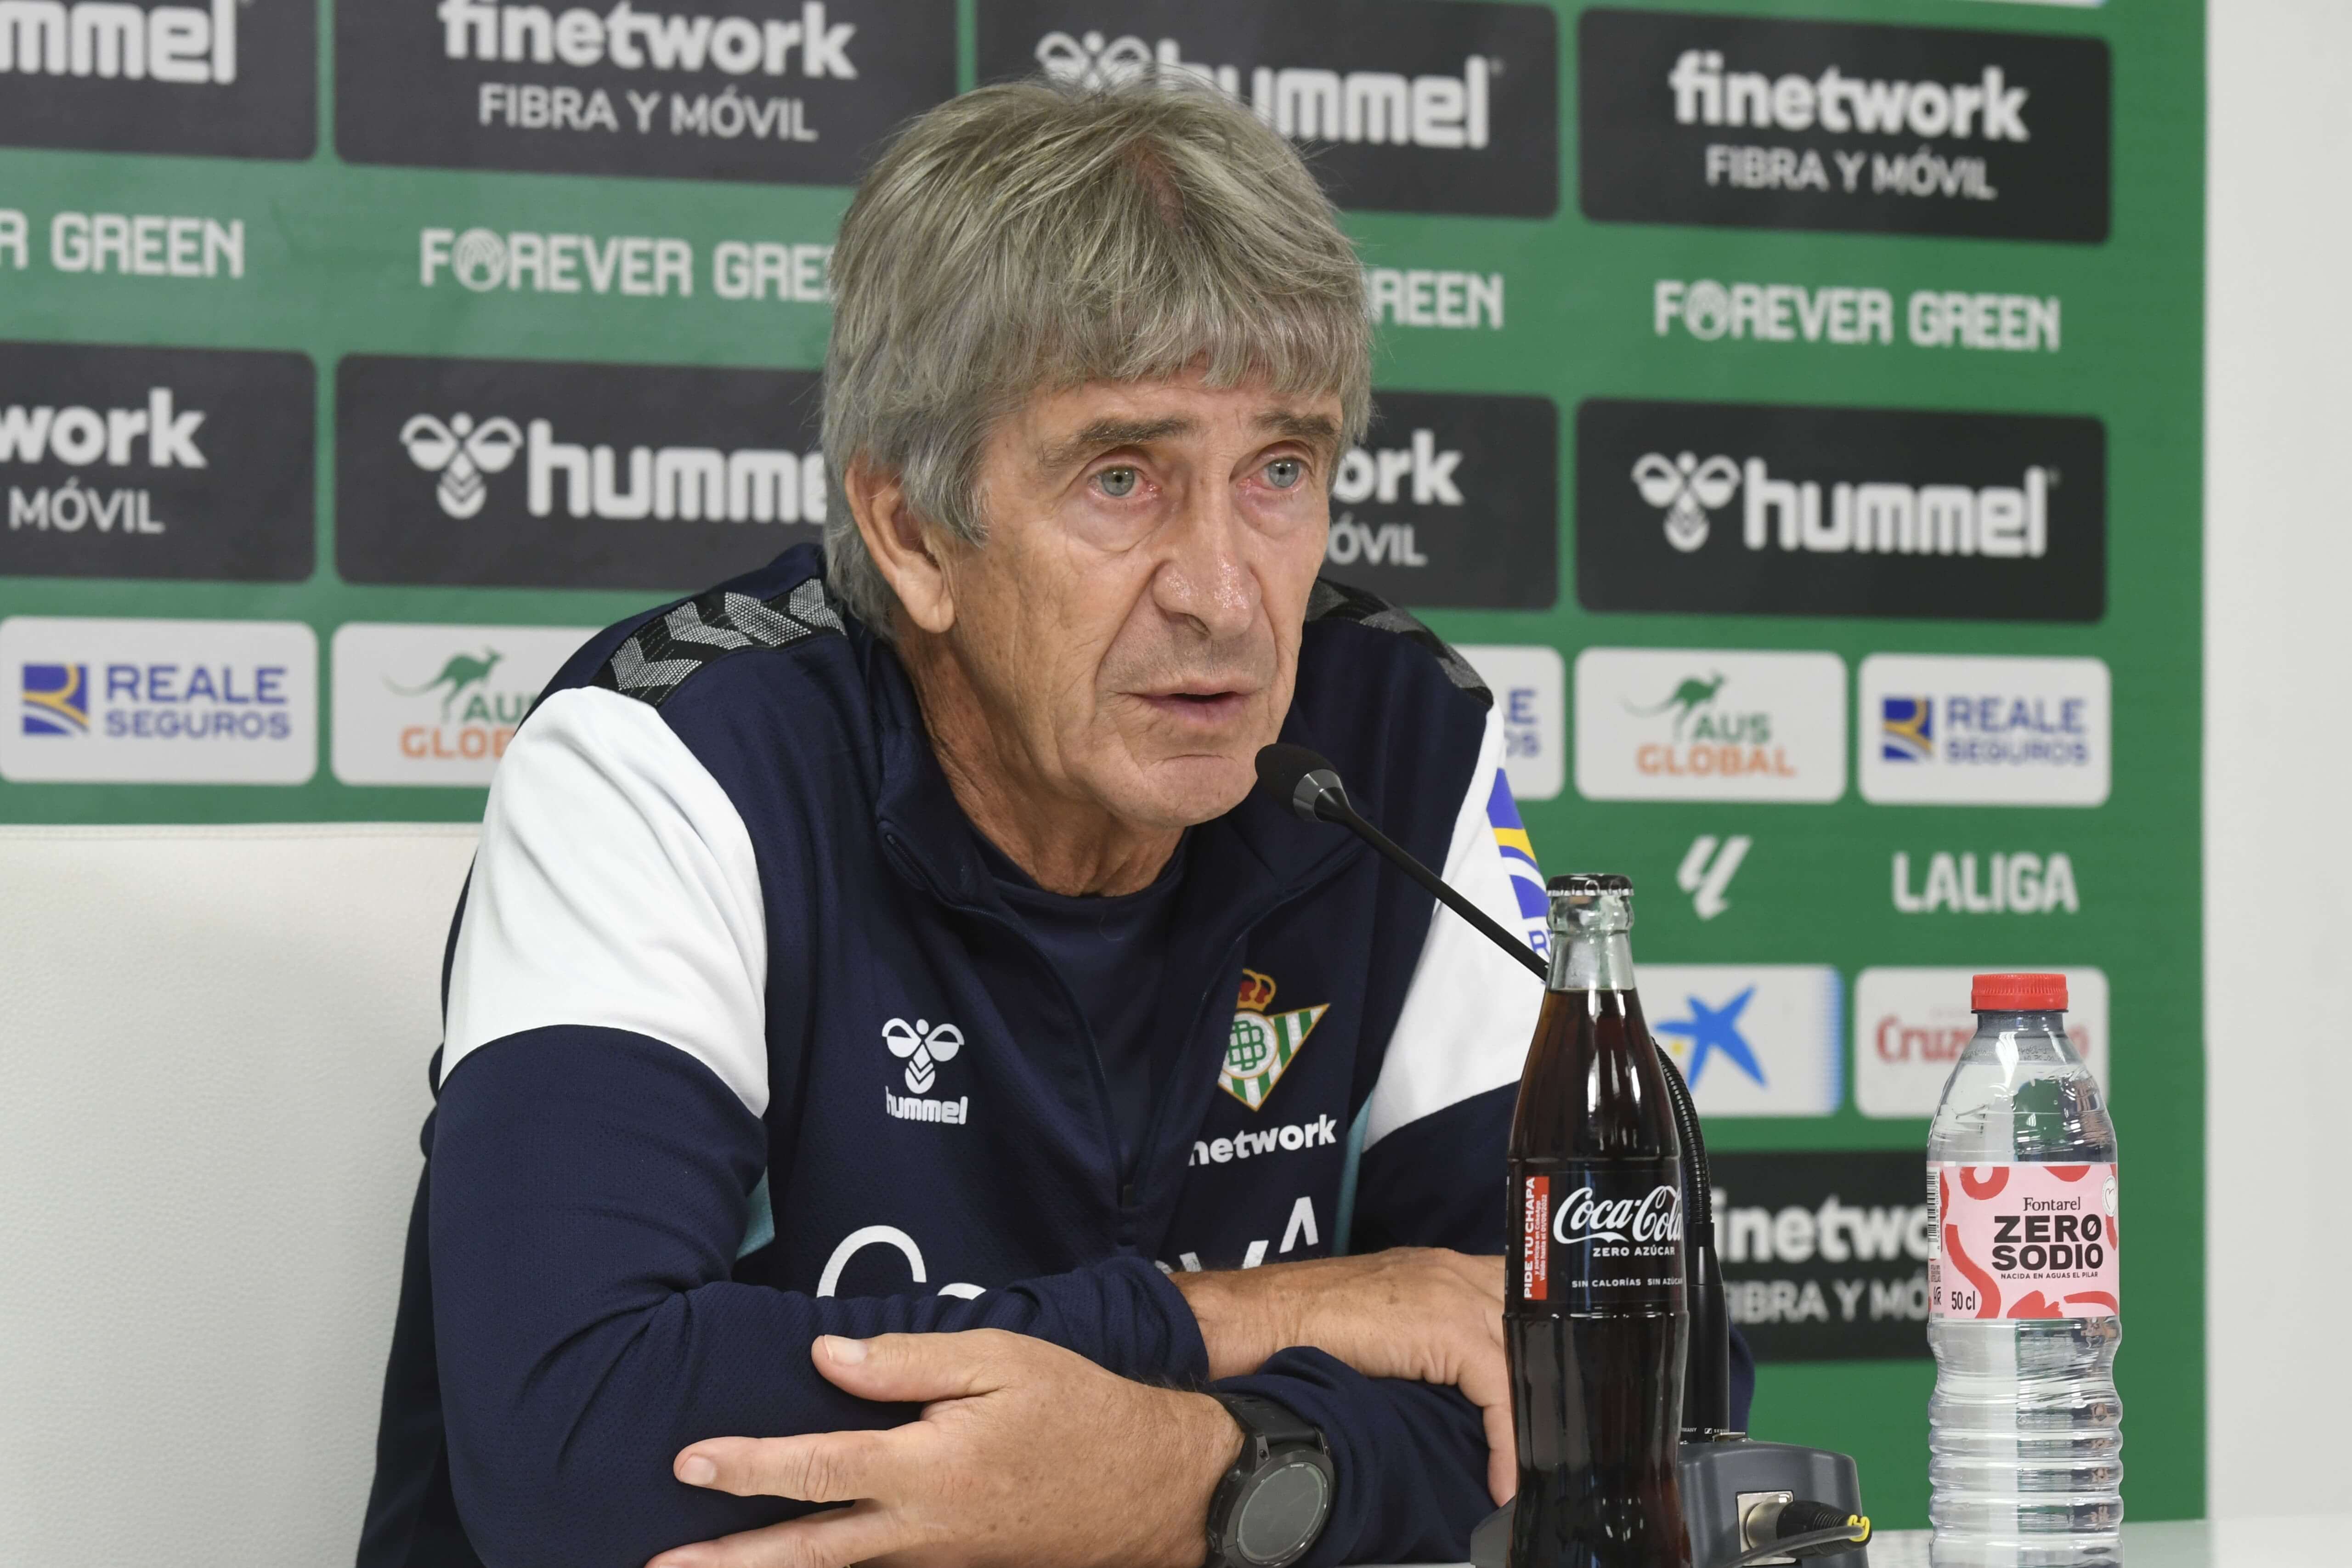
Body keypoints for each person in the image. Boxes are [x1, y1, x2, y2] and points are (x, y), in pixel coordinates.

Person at [358, 75, 1752, 1568]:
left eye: (1280, 471)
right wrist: (1248, 1318)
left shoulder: (1392, 741)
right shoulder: (671, 758)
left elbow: (1639, 1383)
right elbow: (575, 1443)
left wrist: (1198, 1480)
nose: (1224, 593)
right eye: (1121, 478)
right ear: (912, 532)